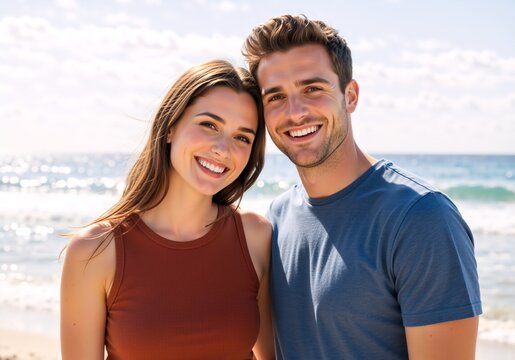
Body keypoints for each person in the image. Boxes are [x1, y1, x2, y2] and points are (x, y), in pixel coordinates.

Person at [243, 14, 482, 359]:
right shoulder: (277, 217)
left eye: (313, 89)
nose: (295, 112)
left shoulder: (421, 218)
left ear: (350, 96)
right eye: (276, 97)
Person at [60, 60, 274, 360]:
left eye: (242, 137)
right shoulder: (95, 250)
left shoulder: (256, 237)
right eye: (209, 125)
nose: (223, 149)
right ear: (171, 127)